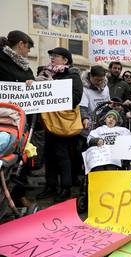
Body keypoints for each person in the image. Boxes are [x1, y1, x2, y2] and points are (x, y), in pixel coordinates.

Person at [36, 47, 83, 202]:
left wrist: (53, 86)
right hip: (48, 121)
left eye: (56, 56)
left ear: (66, 60)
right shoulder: (45, 73)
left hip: (62, 123)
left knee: (63, 155)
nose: (52, 58)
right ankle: (50, 186)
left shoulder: (73, 75)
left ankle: (65, 188)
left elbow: (75, 99)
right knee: (48, 155)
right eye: (52, 56)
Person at [0, 31, 35, 209]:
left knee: (22, 158)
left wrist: (32, 84)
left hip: (20, 119)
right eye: (28, 49)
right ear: (21, 44)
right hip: (4, 117)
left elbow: (30, 82)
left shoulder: (24, 66)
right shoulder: (2, 61)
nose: (28, 53)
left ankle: (17, 195)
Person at [80, 65, 110, 132]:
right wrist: (85, 118)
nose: (99, 82)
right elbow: (82, 107)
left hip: (103, 121)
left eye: (101, 80)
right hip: (90, 122)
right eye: (97, 80)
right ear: (91, 76)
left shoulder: (106, 87)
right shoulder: (84, 89)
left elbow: (108, 103)